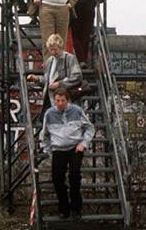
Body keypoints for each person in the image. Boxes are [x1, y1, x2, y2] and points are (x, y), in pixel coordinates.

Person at [41, 87, 95, 220]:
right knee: (57, 179)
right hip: (58, 149)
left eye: (62, 100)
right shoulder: (49, 114)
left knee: (75, 176)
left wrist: (83, 144)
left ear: (67, 100)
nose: (60, 103)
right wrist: (50, 151)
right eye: (57, 101)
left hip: (74, 148)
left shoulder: (76, 111)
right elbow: (44, 136)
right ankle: (64, 208)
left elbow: (90, 128)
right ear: (54, 100)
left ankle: (77, 208)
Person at [27, 33, 83, 110]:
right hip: (50, 99)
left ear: (60, 47)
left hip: (65, 99)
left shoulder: (70, 58)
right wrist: (37, 79)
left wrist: (60, 83)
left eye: (55, 49)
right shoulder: (49, 60)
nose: (53, 52)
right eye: (51, 50)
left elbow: (77, 76)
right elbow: (47, 81)